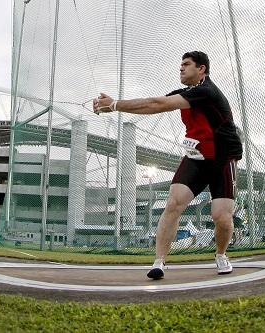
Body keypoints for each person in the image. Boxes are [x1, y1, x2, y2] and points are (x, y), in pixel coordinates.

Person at [93, 51, 243, 279]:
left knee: (221, 217)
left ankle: (221, 254)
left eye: (186, 64)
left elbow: (158, 103)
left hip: (222, 159)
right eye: (180, 65)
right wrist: (114, 106)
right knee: (173, 203)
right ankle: (159, 262)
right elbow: (153, 106)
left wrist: (114, 104)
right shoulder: (188, 93)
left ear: (201, 69)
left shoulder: (207, 91)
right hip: (196, 159)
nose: (181, 68)